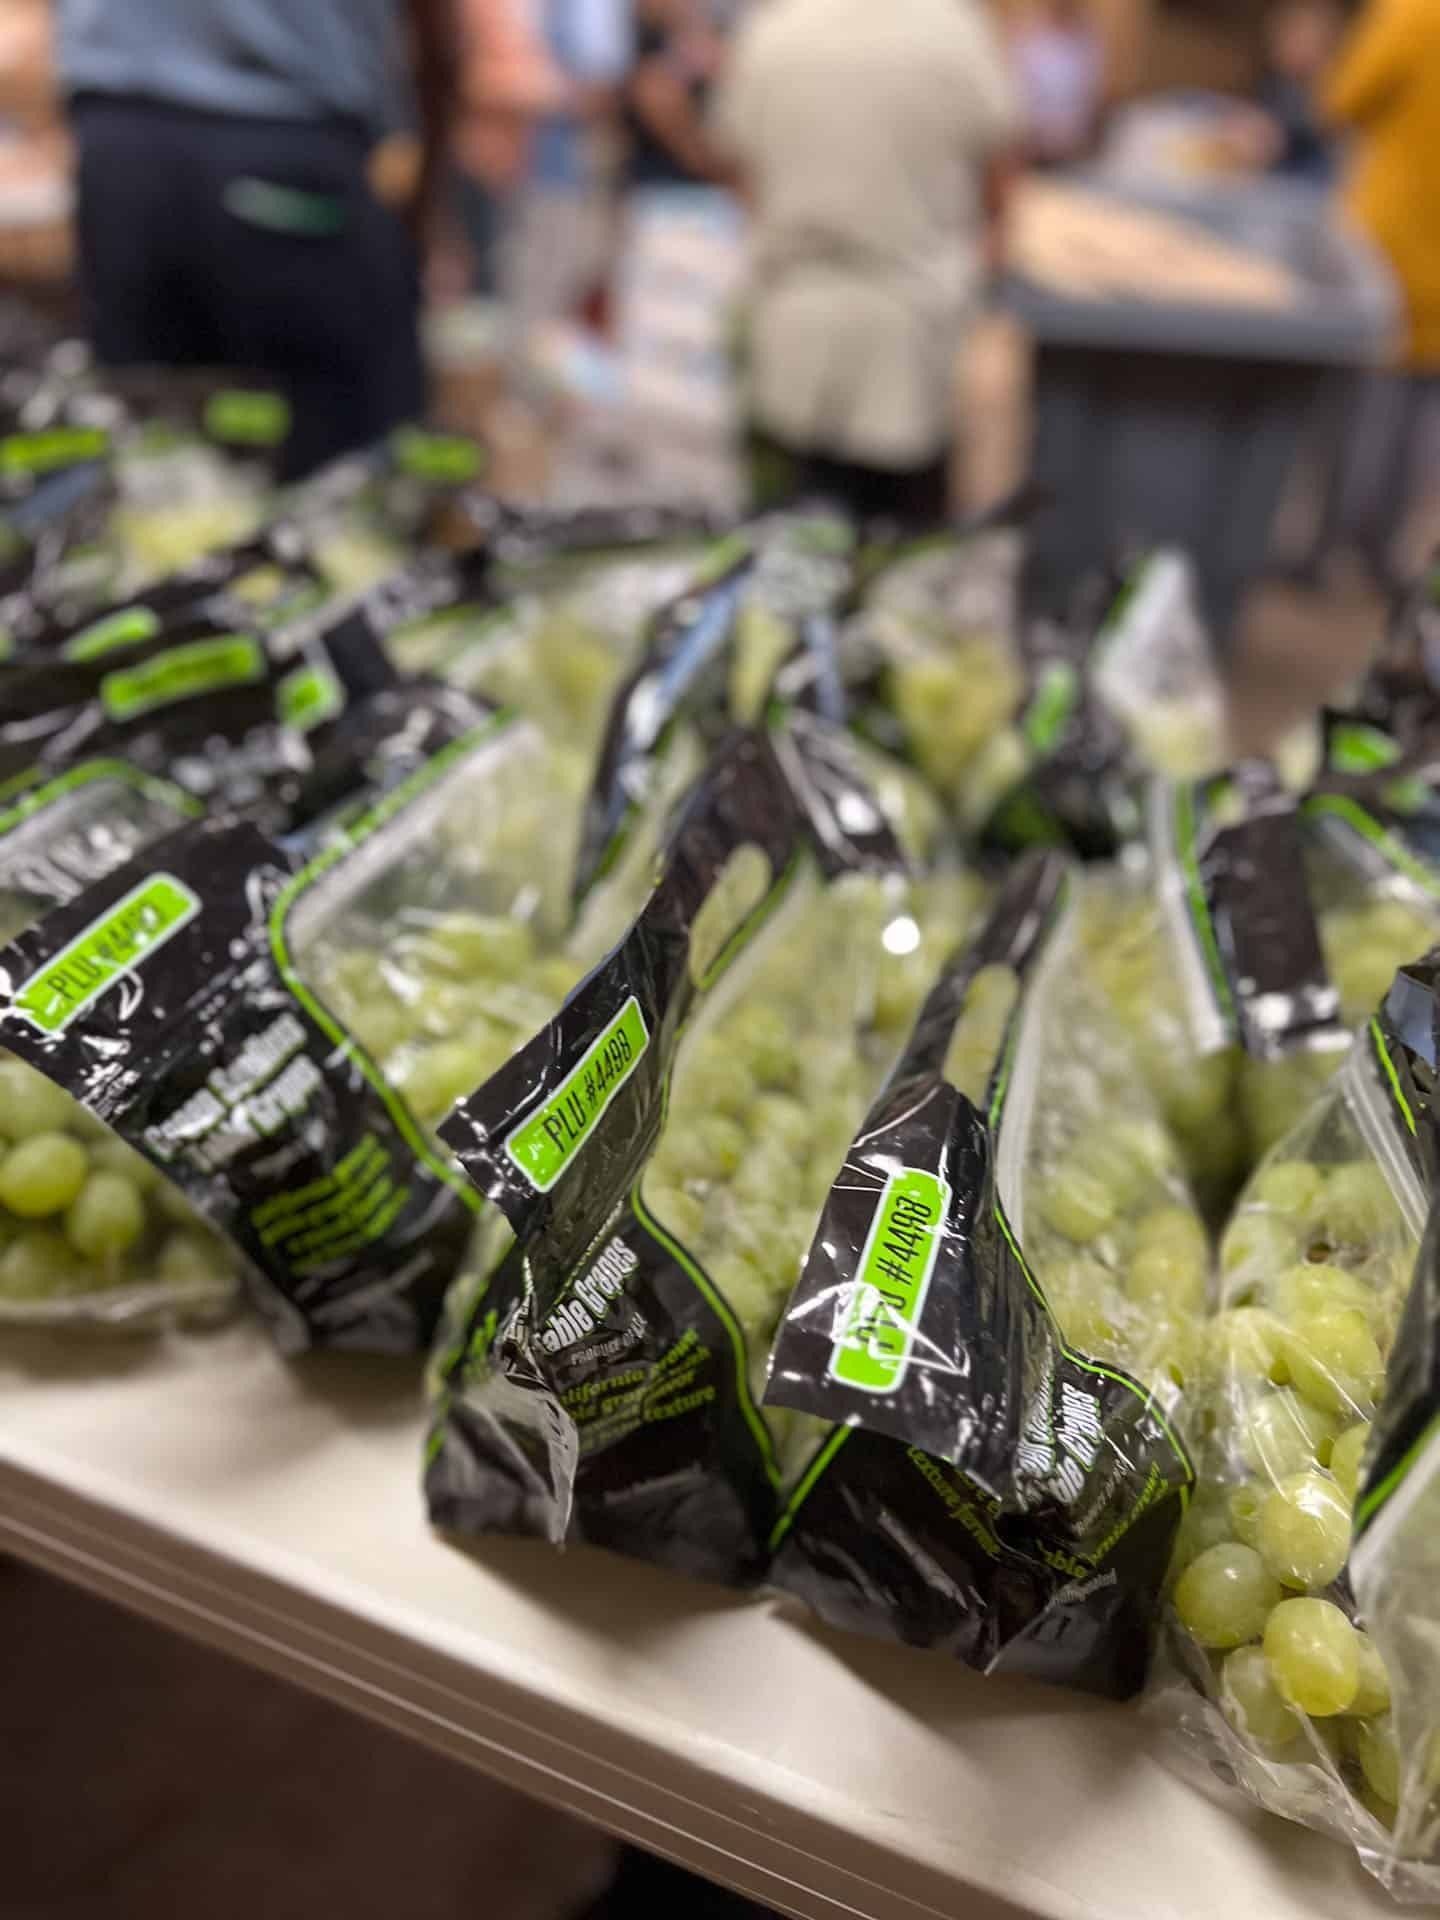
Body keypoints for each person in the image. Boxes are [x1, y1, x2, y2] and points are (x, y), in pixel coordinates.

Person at [52, 0, 457, 478]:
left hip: (119, 144)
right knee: (346, 463)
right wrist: (423, 213)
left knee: (146, 443)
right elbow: (441, 36)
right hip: (284, 134)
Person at [713, 0, 1017, 524]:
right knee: (903, 543)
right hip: (914, 325)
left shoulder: (774, 32)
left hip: (795, 321)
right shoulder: (956, 33)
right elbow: (1000, 188)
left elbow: (739, 172)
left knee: (787, 538)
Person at [1319, 0, 1440, 589]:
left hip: (1388, 243)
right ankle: (1382, 552)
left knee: (1359, 408)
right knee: (1421, 414)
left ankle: (1326, 549)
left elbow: (1340, 101)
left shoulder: (1410, 14)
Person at [625, 0, 733, 191]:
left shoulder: (720, 37)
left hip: (715, 183)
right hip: (669, 191)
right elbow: (694, 154)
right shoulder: (647, 60)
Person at [1009, 0, 1104, 170]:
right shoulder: (1025, 35)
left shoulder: (1087, 37)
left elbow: (1091, 98)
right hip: (1033, 152)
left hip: (1075, 153)